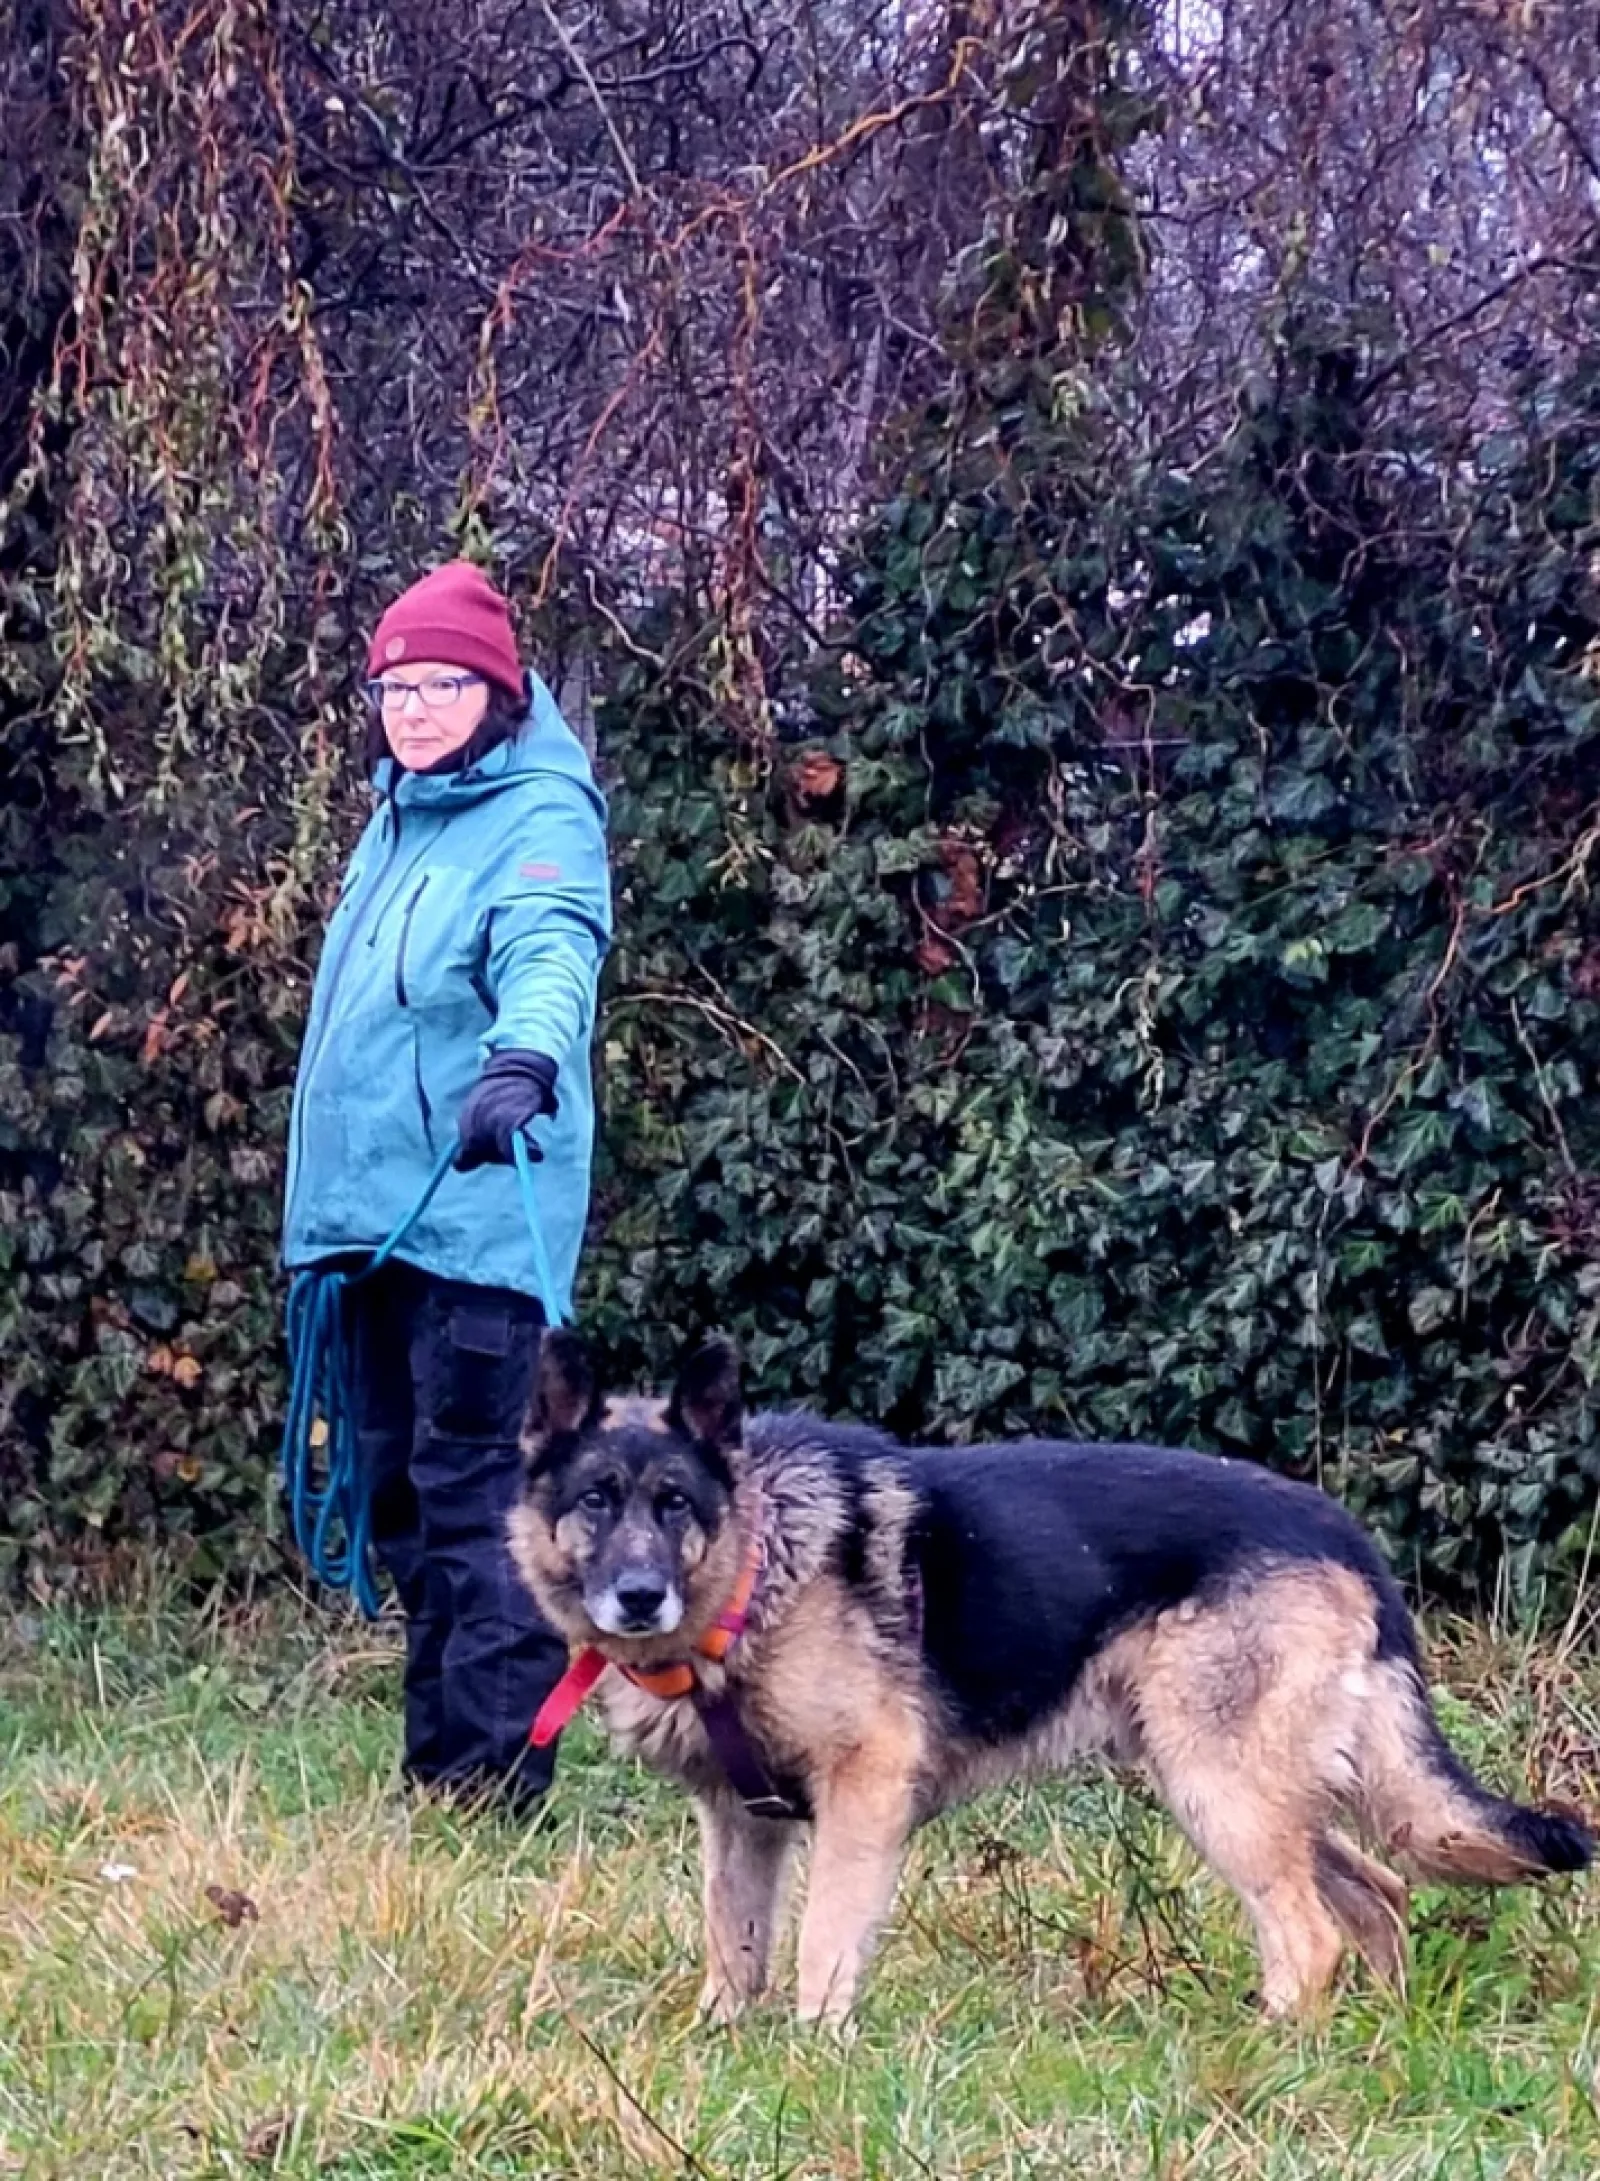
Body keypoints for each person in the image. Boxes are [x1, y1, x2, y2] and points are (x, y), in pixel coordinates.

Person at [281, 560, 611, 1816]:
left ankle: (493, 1787)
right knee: (402, 1507)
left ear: (496, 692)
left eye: (442, 686)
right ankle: (442, 1778)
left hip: (474, 1222)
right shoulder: (402, 816)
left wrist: (524, 1059)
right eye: (396, 688)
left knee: (480, 1505)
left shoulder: (541, 819)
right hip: (371, 1230)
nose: (414, 710)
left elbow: (550, 948)